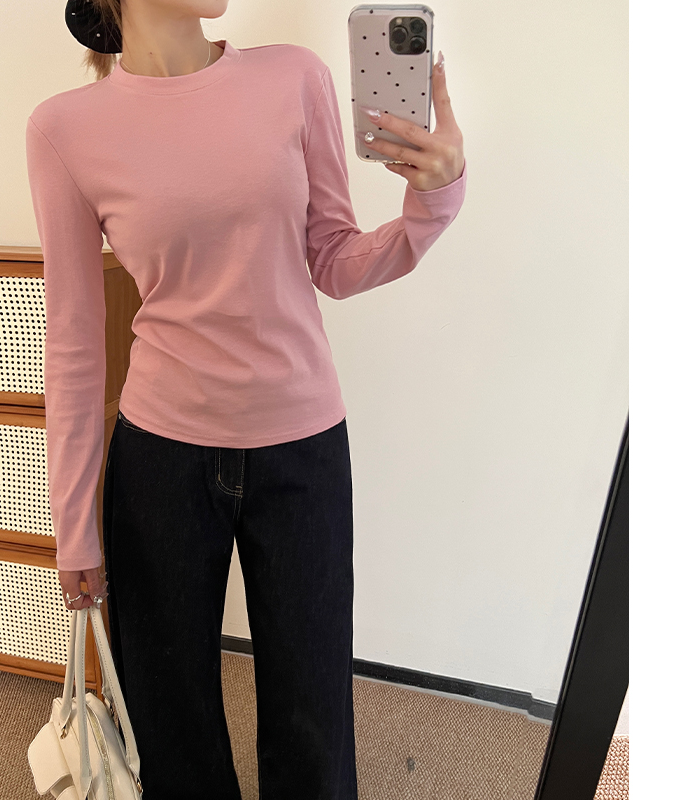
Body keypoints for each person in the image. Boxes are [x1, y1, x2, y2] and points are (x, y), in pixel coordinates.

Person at [25, 1, 466, 797]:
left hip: (303, 446)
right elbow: (75, 343)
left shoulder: (295, 78)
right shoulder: (63, 130)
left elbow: (332, 259)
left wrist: (429, 206)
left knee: (312, 714)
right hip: (159, 460)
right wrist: (74, 526)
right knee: (170, 718)